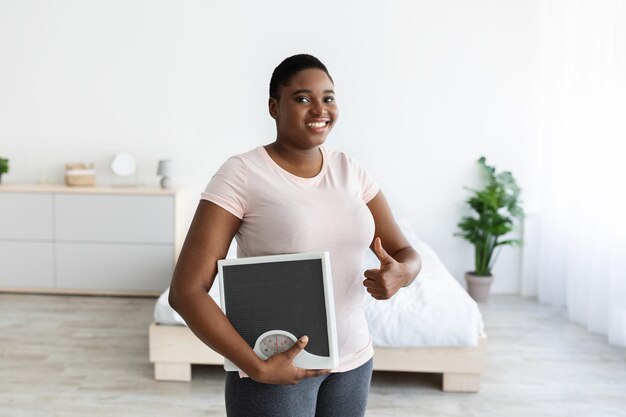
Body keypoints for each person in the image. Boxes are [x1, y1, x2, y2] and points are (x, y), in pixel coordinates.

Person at [168, 54, 421, 417]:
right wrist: (255, 366)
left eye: (328, 97)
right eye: (302, 98)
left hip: (354, 362)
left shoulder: (351, 170)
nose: (319, 108)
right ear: (274, 106)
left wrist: (403, 273)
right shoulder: (241, 174)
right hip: (275, 368)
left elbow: (405, 251)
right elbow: (186, 291)